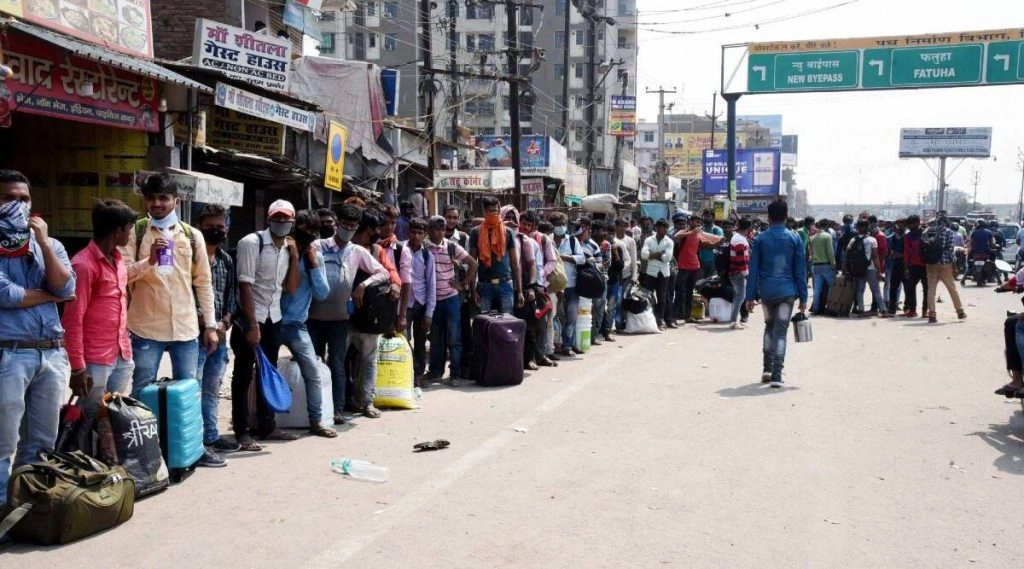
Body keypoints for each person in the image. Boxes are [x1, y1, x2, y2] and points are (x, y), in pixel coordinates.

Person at [0, 170, 75, 505]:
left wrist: (43, 242)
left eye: (24, 199)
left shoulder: (51, 245)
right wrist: (53, 296)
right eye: (9, 199)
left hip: (51, 353)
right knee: (3, 442)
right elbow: (7, 295)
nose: (18, 205)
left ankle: (28, 506)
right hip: (9, 355)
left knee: (43, 442)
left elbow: (66, 285)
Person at [124, 174, 218, 397]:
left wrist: (211, 326)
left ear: (176, 201)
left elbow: (203, 283)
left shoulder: (192, 236)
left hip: (186, 328)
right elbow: (122, 276)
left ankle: (179, 425)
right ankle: (146, 423)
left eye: (163, 198)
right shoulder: (135, 233)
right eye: (151, 198)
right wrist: (149, 261)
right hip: (145, 328)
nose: (156, 203)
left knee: (187, 392)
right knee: (142, 391)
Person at [308, 205, 390, 425]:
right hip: (313, 318)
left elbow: (383, 272)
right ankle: (315, 411)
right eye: (344, 224)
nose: (347, 229)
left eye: (352, 226)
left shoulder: (357, 251)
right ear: (337, 224)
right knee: (314, 366)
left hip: (340, 319)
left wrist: (363, 285)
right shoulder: (318, 246)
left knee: (337, 366)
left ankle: (337, 409)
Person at [230, 199, 300, 452]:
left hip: (274, 318)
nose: (281, 222)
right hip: (252, 319)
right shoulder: (252, 243)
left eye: (285, 218)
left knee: (267, 374)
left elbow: (291, 288)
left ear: (292, 222)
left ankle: (267, 425)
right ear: (269, 220)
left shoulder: (287, 249)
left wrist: (295, 256)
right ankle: (242, 431)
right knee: (243, 375)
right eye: (277, 218)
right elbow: (245, 286)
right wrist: (252, 326)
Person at [63, 200, 137, 422]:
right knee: (88, 419)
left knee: (112, 418)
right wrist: (78, 368)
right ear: (118, 231)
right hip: (95, 358)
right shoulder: (83, 265)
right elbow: (73, 318)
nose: (130, 235)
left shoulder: (118, 259)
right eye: (129, 229)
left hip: (122, 353)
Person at [279, 210, 337, 438]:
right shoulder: (281, 251)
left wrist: (313, 265)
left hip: (296, 324)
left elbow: (322, 293)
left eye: (314, 231)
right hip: (272, 322)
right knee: (265, 372)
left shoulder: (316, 257)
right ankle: (265, 421)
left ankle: (316, 420)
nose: (310, 235)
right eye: (306, 229)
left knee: (312, 372)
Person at [193, 205, 242, 454]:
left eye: (220, 227)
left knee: (212, 389)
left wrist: (223, 324)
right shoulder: (190, 258)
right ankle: (193, 442)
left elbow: (232, 297)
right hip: (193, 335)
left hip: (219, 336)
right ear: (199, 228)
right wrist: (207, 325)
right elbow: (186, 297)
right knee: (193, 390)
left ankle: (211, 436)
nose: (215, 231)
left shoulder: (226, 260)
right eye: (209, 227)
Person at [745, 199, 807, 388]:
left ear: (769, 217)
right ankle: (777, 374)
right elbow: (800, 271)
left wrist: (750, 296)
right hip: (787, 293)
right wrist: (804, 297)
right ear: (786, 216)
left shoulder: (760, 239)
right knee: (780, 332)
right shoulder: (794, 238)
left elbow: (753, 270)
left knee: (769, 327)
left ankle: (767, 368)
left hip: (767, 293)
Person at [350, 209, 400, 417]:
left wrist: (395, 284)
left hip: (370, 315)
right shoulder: (345, 247)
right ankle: (343, 401)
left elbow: (391, 272)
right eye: (376, 228)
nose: (380, 232)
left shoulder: (377, 250)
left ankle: (367, 401)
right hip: (344, 314)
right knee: (340, 359)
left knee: (369, 359)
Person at [425, 215, 477, 384]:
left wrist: (462, 284)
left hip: (451, 299)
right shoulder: (424, 248)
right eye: (436, 229)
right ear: (429, 230)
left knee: (455, 339)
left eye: (443, 229)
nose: (440, 232)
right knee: (436, 339)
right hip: (433, 301)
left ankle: (455, 373)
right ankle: (435, 372)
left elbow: (473, 264)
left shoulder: (451, 247)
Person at [469, 197, 523, 314]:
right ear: (485, 212)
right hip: (484, 285)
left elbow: (515, 263)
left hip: (505, 284)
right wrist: (473, 291)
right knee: (485, 320)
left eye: (495, 211)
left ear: (499, 211)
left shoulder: (508, 232)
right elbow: (472, 263)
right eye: (490, 211)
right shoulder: (476, 232)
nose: (493, 214)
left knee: (507, 320)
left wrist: (519, 291)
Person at [403, 217, 436, 380]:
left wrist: (429, 312)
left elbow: (431, 284)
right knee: (404, 339)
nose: (416, 236)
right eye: (413, 232)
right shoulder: (401, 250)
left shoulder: (427, 255)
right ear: (408, 232)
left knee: (421, 341)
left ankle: (418, 375)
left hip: (421, 304)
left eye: (420, 233)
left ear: (424, 235)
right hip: (405, 304)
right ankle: (408, 372)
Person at [551, 211, 585, 355]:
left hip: (571, 284)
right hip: (553, 285)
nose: (561, 227)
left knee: (571, 317)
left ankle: (567, 346)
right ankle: (553, 346)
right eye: (558, 224)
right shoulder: (547, 240)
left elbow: (582, 259)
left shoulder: (571, 240)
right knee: (555, 316)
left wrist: (566, 257)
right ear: (552, 226)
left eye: (563, 224)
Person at [923, 211, 966, 323]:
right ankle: (960, 311)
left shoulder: (927, 231)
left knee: (931, 290)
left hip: (931, 264)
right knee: (952, 289)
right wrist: (954, 265)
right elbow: (951, 250)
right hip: (945, 264)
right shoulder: (948, 232)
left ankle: (932, 314)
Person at [378, 205, 413, 332]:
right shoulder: (369, 246)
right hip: (372, 309)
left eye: (393, 223)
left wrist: (402, 315)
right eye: (385, 222)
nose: (389, 227)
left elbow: (406, 283)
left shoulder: (401, 249)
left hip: (394, 311)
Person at [641, 219, 674, 331]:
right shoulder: (649, 240)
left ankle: (660, 321)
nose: (664, 230)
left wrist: (652, 255)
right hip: (651, 272)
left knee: (662, 298)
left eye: (666, 228)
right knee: (647, 297)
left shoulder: (669, 241)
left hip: (664, 273)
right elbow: (644, 255)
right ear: (657, 228)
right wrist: (659, 253)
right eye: (661, 227)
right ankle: (647, 320)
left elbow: (667, 258)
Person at [847, 219, 884, 317]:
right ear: (868, 227)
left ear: (857, 228)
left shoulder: (853, 240)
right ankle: (883, 310)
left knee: (860, 290)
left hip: (858, 269)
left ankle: (861, 310)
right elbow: (875, 257)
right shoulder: (872, 240)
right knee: (876, 290)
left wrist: (846, 269)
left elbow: (847, 255)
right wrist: (879, 271)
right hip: (871, 268)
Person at [613, 217, 638, 332]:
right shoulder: (612, 239)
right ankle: (618, 323)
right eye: (619, 225)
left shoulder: (630, 241)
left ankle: (621, 323)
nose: (621, 228)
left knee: (623, 300)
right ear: (616, 226)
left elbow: (633, 259)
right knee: (617, 300)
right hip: (615, 275)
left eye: (624, 226)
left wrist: (634, 276)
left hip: (627, 275)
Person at [726, 218, 751, 329]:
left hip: (735, 272)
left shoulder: (737, 237)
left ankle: (734, 320)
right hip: (738, 273)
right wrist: (746, 274)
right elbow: (741, 260)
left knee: (737, 297)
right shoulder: (740, 240)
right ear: (748, 228)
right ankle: (733, 321)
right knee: (740, 297)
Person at [902, 215, 928, 318]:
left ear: (918, 223)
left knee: (927, 289)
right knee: (910, 288)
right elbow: (907, 251)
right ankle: (912, 310)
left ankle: (925, 311)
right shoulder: (908, 236)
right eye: (909, 225)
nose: (910, 226)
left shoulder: (927, 233)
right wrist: (905, 267)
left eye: (912, 224)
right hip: (914, 265)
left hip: (926, 265)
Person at [884, 219, 906, 317]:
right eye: (898, 226)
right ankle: (892, 307)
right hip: (894, 265)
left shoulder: (907, 237)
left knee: (906, 287)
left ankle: (907, 307)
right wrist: (892, 255)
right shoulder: (891, 238)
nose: (899, 228)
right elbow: (888, 251)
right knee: (892, 286)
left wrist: (900, 255)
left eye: (902, 226)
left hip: (905, 265)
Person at [963, 220, 995, 285]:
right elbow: (991, 244)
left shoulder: (974, 232)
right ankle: (993, 271)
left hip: (975, 251)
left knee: (969, 263)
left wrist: (970, 247)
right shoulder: (989, 232)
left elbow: (970, 242)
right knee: (993, 258)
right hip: (986, 251)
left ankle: (964, 278)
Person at [699, 209, 723, 279]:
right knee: (701, 282)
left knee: (712, 281)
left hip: (713, 261)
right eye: (704, 216)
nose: (706, 218)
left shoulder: (717, 230)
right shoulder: (701, 229)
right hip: (701, 261)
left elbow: (718, 245)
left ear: (713, 218)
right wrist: (710, 244)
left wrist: (704, 244)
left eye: (708, 216)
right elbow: (698, 243)